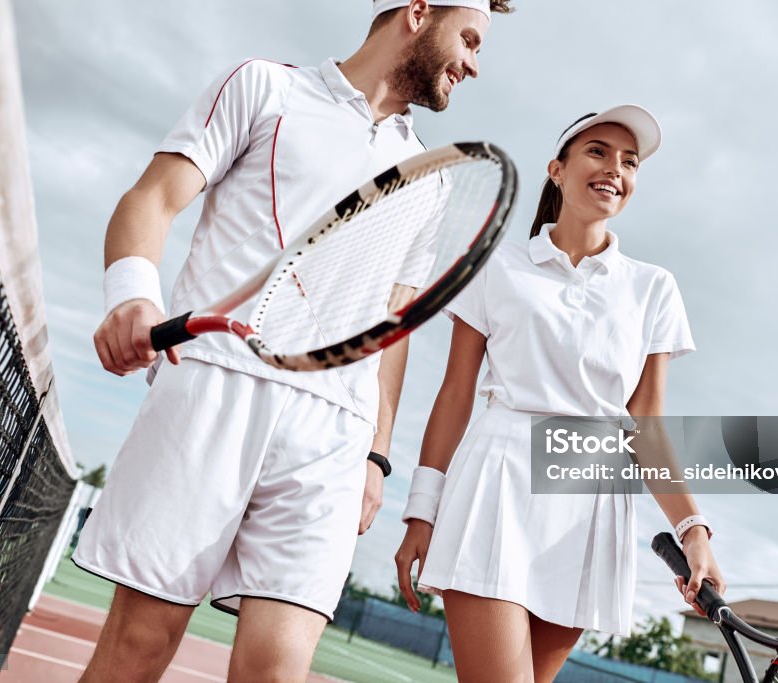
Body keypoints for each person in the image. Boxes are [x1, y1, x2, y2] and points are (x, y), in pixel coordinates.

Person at [74, 2, 513, 681]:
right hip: (213, 388)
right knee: (139, 645)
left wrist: (375, 452)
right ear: (419, 13)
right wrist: (132, 294)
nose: (476, 64)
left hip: (334, 432)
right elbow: (154, 197)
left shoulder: (428, 178)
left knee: (277, 670)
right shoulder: (263, 88)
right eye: (471, 39)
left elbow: (391, 331)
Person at [394, 106, 726, 682]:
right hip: (496, 484)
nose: (614, 169)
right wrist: (421, 510)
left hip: (592, 501)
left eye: (630, 161)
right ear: (557, 169)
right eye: (597, 151)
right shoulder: (496, 265)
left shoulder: (654, 288)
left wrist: (693, 530)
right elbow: (455, 394)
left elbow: (646, 425)